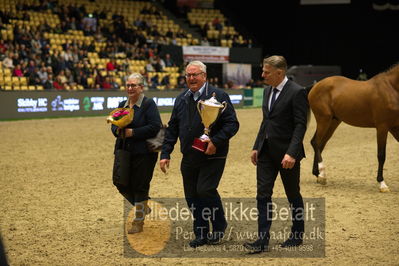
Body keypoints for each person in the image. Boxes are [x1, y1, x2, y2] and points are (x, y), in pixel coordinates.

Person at [159, 61, 239, 248]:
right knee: (192, 196)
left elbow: (232, 124)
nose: (192, 78)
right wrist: (165, 153)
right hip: (189, 155)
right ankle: (201, 232)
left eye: (195, 74)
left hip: (213, 154)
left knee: (205, 190)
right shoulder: (181, 99)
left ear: (204, 76)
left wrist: (216, 141)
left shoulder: (218, 96)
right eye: (188, 75)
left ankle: (219, 225)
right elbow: (172, 129)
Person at [243, 55, 309, 253]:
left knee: (292, 195)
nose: (262, 75)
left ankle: (297, 235)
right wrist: (256, 146)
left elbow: (300, 125)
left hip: (287, 156)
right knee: (262, 195)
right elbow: (266, 121)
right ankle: (262, 240)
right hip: (266, 153)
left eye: (266, 72)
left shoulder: (297, 92)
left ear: (280, 73)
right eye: (263, 71)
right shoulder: (266, 91)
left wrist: (291, 153)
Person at [111, 72, 162, 234]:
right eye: (128, 85)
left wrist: (133, 132)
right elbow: (113, 124)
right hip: (124, 151)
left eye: (133, 85)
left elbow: (155, 126)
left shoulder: (148, 104)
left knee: (140, 185)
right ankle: (142, 205)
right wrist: (117, 130)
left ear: (141, 87)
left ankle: (138, 221)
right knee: (120, 182)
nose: (130, 88)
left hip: (145, 153)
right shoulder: (122, 104)